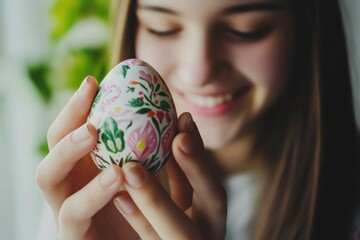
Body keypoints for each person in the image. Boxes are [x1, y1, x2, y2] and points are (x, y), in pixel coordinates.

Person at [35, 0, 360, 239]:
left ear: (308, 30)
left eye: (247, 30)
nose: (199, 70)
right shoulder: (86, 207)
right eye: (164, 27)